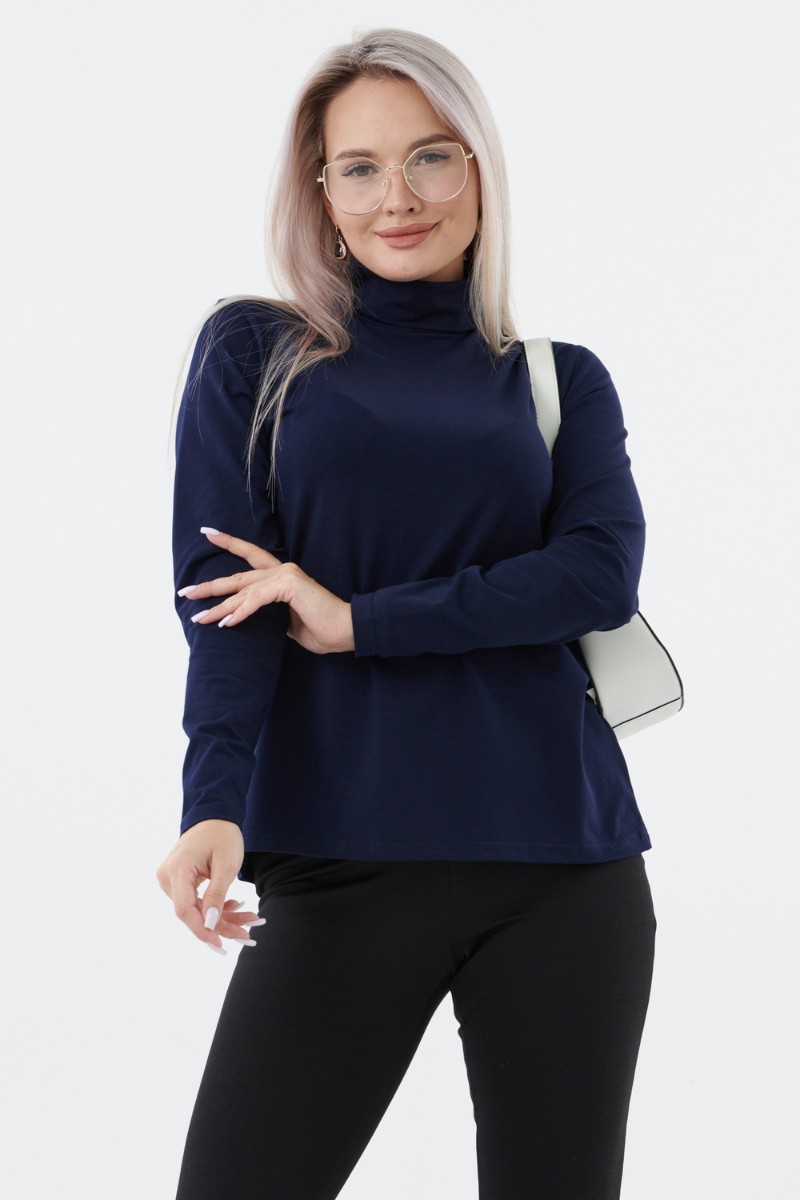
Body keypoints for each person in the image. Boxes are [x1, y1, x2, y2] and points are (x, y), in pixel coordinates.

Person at [156, 26, 657, 1200]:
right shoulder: (255, 354)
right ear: (321, 194)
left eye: (431, 157)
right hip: (337, 856)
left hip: (561, 863)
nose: (399, 198)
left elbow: (596, 577)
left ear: (477, 169)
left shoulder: (557, 379)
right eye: (360, 167)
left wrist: (358, 621)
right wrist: (211, 801)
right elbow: (224, 604)